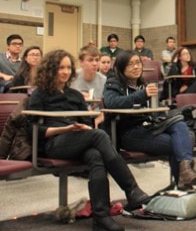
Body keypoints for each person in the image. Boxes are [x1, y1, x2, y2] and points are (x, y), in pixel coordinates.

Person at [27, 49, 150, 231]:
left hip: (77, 140)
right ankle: (131, 189)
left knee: (95, 155)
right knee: (99, 135)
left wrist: (84, 127)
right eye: (61, 67)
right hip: (53, 144)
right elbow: (34, 131)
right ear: (50, 69)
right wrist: (65, 128)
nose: (66, 71)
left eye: (69, 67)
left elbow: (86, 124)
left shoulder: (75, 95)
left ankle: (101, 218)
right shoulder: (39, 94)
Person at [103, 50, 196, 190]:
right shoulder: (113, 83)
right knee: (180, 142)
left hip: (150, 126)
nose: (136, 67)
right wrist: (142, 95)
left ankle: (185, 173)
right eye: (131, 64)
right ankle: (183, 183)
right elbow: (112, 103)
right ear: (121, 68)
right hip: (130, 132)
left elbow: (154, 110)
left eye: (138, 63)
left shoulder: (142, 83)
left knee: (184, 130)